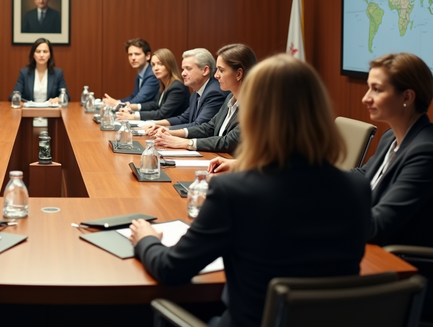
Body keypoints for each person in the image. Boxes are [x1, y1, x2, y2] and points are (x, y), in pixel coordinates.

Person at [129, 54, 371, 327]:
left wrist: (146, 238)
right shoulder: (357, 189)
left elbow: (171, 269)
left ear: (254, 115)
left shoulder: (234, 192)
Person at [352, 53, 433, 320]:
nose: (365, 98)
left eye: (377, 89)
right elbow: (363, 176)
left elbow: (376, 226)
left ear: (407, 97)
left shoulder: (427, 152)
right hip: (373, 256)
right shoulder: (391, 136)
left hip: (405, 271)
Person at [150, 43, 257, 155]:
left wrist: (186, 143)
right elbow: (209, 127)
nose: (216, 75)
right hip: (220, 159)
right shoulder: (230, 97)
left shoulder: (253, 104)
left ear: (239, 74)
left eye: (221, 70)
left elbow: (229, 141)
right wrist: (169, 131)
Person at [148, 48, 227, 129]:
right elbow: (184, 118)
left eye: (188, 69)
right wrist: (154, 124)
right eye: (183, 69)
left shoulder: (214, 93)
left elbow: (199, 126)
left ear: (205, 70)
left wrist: (164, 129)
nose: (183, 74)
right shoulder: (195, 93)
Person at [115, 48, 189, 121]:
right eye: (153, 65)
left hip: (173, 129)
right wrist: (132, 106)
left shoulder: (177, 87)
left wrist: (132, 116)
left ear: (169, 65)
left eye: (160, 64)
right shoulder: (164, 85)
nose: (156, 68)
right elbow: (155, 104)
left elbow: (162, 114)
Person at [103, 38, 159, 108]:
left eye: (137, 54)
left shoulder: (152, 75)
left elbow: (139, 99)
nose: (133, 58)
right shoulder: (139, 76)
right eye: (130, 54)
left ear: (148, 56)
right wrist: (116, 102)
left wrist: (116, 103)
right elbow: (133, 97)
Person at [11, 37, 69, 103]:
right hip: (29, 111)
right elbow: (13, 96)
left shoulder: (58, 73)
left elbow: (66, 96)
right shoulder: (24, 73)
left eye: (45, 52)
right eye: (38, 51)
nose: (41, 55)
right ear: (33, 54)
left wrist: (58, 99)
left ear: (50, 55)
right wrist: (22, 101)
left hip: (51, 112)